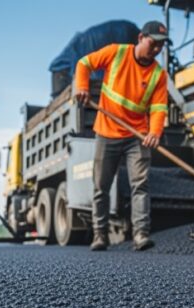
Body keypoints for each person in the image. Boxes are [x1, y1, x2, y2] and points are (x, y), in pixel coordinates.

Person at [74, 21, 169, 252]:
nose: (157, 49)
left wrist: (155, 133)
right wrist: (82, 86)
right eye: (153, 43)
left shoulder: (158, 74)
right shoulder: (116, 53)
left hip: (137, 136)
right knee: (101, 187)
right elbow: (84, 63)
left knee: (140, 185)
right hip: (107, 132)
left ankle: (141, 235)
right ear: (141, 38)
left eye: (161, 45)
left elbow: (159, 108)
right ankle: (100, 236)